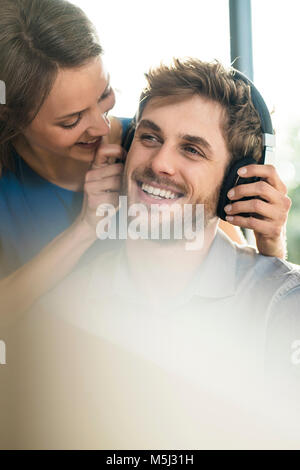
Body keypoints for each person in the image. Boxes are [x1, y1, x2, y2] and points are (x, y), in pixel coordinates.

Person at [11, 58, 299, 449]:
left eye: (192, 150)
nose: (160, 163)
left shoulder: (283, 309)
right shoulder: (61, 310)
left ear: (238, 180)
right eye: (149, 138)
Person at [0, 0, 291, 318]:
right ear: (12, 118)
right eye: (71, 120)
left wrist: (271, 243)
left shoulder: (146, 151)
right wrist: (85, 228)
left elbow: (234, 275)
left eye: (104, 96)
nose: (101, 126)